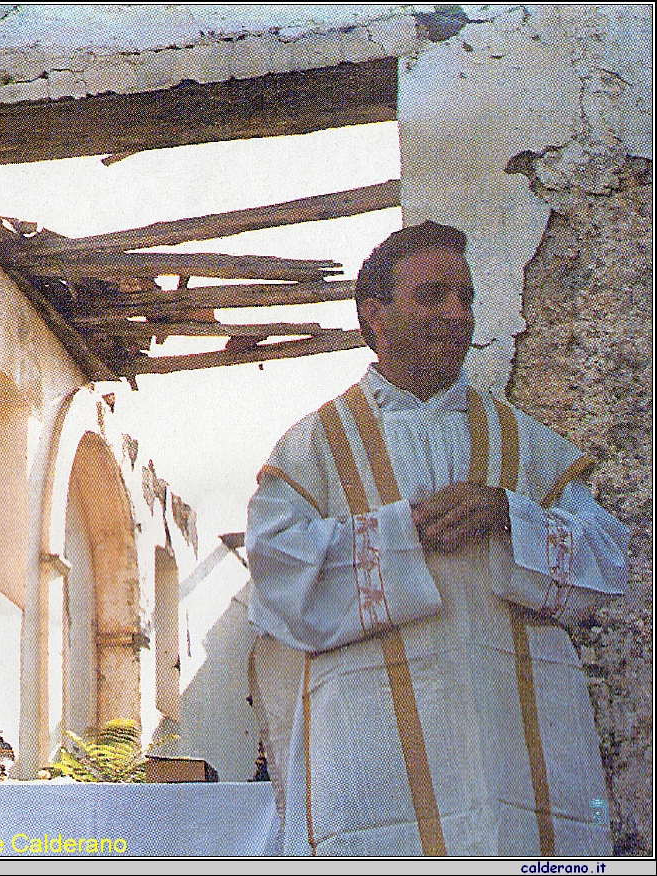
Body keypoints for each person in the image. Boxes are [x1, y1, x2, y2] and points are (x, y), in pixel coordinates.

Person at [245, 222, 629, 856]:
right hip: (371, 748)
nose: (458, 315)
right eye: (433, 296)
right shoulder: (313, 446)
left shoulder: (525, 444)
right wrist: (401, 535)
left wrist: (509, 515)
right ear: (375, 313)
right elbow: (279, 573)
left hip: (511, 734)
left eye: (466, 298)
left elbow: (603, 562)